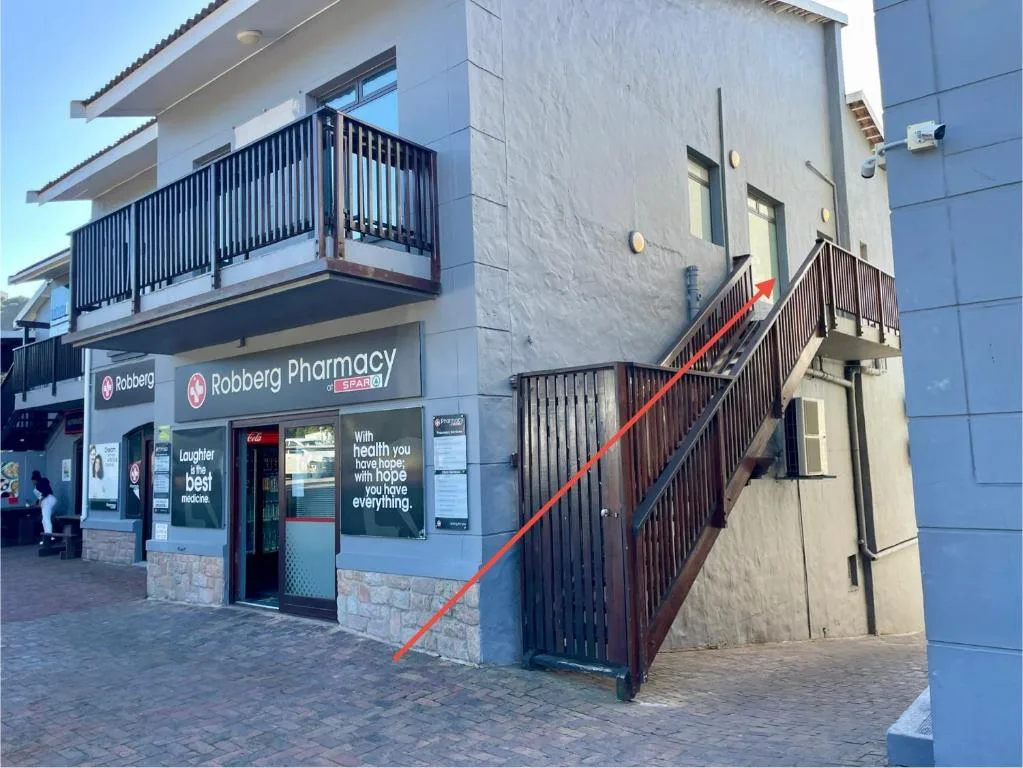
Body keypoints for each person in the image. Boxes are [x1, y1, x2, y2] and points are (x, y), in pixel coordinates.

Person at [31, 470, 57, 535]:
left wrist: (39, 503)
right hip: (51, 499)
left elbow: (43, 495)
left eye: (33, 481)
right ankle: (48, 535)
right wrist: (37, 503)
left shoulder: (38, 485)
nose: (32, 482)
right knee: (44, 520)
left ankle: (48, 536)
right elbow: (42, 495)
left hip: (47, 501)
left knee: (46, 519)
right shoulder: (43, 482)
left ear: (35, 480)